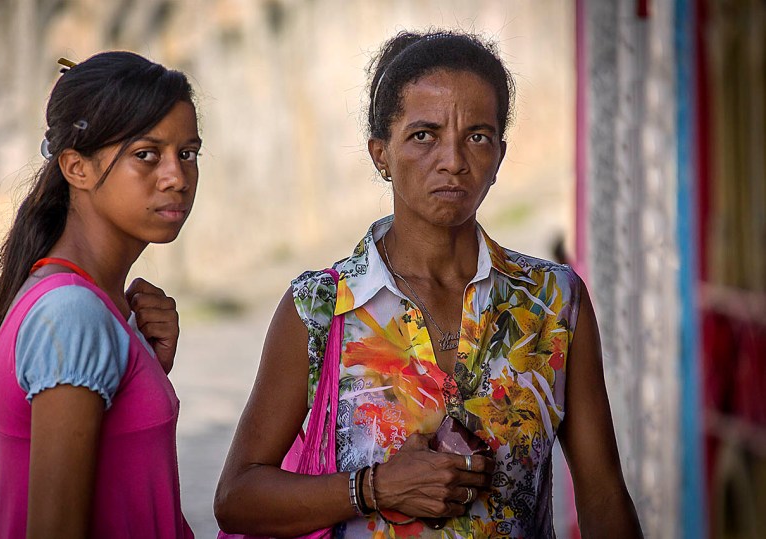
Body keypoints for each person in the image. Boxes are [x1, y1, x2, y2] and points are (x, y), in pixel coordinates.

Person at [215, 30, 642, 538]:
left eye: (477, 136)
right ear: (381, 154)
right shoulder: (321, 308)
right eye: (424, 135)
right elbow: (236, 497)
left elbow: (602, 492)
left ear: (500, 156)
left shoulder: (554, 303)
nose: (453, 161)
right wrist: (371, 488)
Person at [0, 51, 201, 538]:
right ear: (76, 168)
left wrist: (141, 366)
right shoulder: (72, 314)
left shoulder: (86, 306)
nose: (176, 177)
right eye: (146, 155)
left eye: (187, 153)